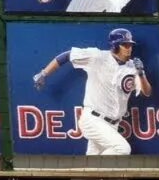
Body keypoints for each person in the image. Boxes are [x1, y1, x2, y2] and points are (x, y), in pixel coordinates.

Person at [33, 27, 152, 155]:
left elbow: (147, 92)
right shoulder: (98, 57)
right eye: (124, 44)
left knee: (92, 164)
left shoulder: (132, 67)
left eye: (130, 45)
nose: (129, 48)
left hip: (113, 124)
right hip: (93, 119)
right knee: (122, 149)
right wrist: (44, 73)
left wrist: (141, 74)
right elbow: (67, 55)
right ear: (115, 45)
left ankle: (88, 174)